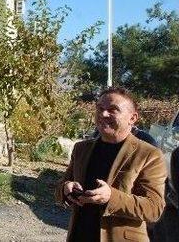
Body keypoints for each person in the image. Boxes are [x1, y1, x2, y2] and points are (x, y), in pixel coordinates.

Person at [55, 87, 167, 242]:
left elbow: (154, 208)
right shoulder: (81, 148)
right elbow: (61, 186)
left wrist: (111, 197)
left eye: (112, 110)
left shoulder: (149, 155)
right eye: (99, 109)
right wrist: (65, 189)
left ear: (132, 118)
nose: (103, 114)